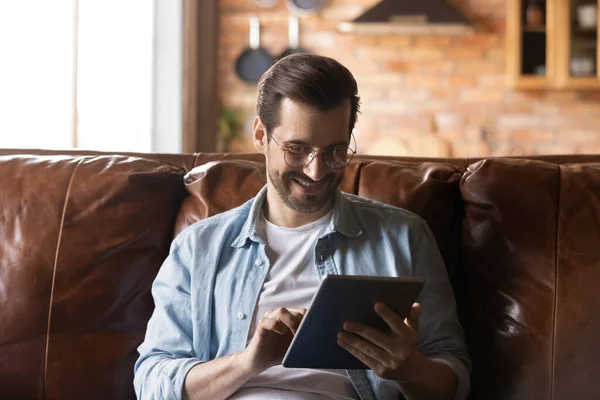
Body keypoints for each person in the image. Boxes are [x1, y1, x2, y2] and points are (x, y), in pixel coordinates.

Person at [134, 53, 471, 400]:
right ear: (261, 135)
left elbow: (454, 377)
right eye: (297, 149)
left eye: (335, 151)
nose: (316, 171)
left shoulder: (404, 238)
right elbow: (152, 381)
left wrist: (411, 370)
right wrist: (248, 362)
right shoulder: (198, 248)